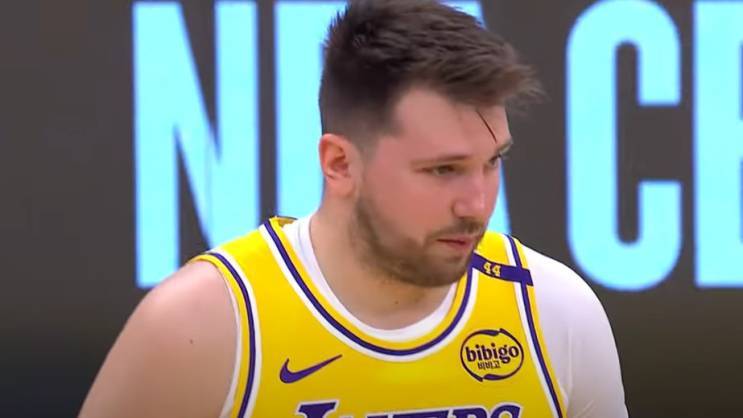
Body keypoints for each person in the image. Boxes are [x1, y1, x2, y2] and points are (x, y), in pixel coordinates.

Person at [80, 1, 628, 417]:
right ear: (339, 163)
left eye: (492, 162)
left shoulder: (554, 312)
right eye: (443, 169)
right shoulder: (201, 329)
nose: (478, 203)